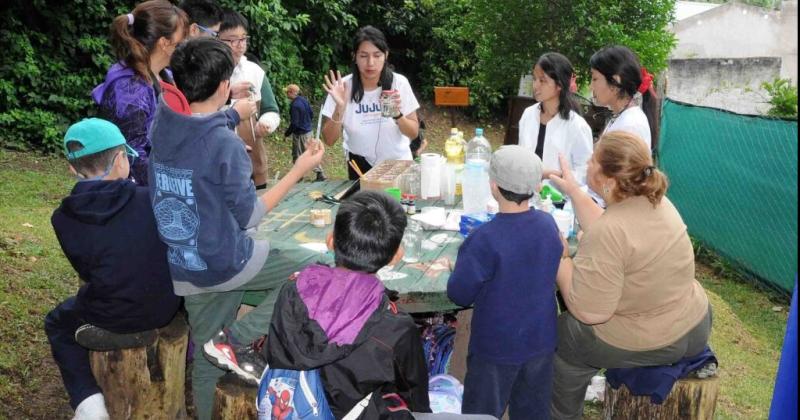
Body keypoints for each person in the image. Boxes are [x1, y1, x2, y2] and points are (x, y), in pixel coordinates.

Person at [148, 37, 328, 420]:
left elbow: (196, 126)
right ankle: (237, 340)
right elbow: (250, 217)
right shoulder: (224, 145)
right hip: (229, 261)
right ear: (223, 86)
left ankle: (218, 353)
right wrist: (299, 169)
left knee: (206, 360)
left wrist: (231, 113)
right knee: (320, 271)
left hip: (188, 265)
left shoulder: (163, 123)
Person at [547, 131, 711, 419]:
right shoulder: (656, 202)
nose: (588, 161)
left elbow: (588, 311)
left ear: (609, 181)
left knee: (566, 334)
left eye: (594, 159)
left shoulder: (611, 231)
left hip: (659, 340)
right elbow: (615, 230)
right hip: (695, 324)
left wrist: (560, 257)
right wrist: (574, 190)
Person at [44, 118, 180, 420]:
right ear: (121, 159)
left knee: (57, 322)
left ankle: (88, 402)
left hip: (108, 313)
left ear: (72, 169)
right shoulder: (151, 199)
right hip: (164, 306)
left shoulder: (62, 218)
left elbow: (87, 269)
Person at [266, 190, 431, 418]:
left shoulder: (292, 292)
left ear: (331, 241)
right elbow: (414, 395)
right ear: (396, 256)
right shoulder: (395, 327)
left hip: (291, 407)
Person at [447, 145, 563, 419]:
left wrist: (458, 267)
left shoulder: (484, 238)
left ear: (493, 186)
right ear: (535, 186)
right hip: (540, 341)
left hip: (495, 348)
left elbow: (459, 294)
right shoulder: (548, 225)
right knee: (532, 412)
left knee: (482, 412)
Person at [92, 0, 189, 186]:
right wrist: (172, 184)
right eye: (181, 40)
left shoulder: (162, 74)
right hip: (132, 194)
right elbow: (133, 155)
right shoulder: (131, 89)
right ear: (165, 43)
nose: (185, 44)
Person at [321, 25, 420, 180]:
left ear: (385, 55)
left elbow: (413, 133)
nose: (370, 63)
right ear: (354, 56)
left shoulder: (398, 83)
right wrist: (340, 107)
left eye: (377, 55)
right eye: (363, 55)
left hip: (398, 167)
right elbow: (329, 140)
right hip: (360, 168)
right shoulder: (342, 87)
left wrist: (397, 114)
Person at [219, 9, 281, 189]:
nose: (240, 45)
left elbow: (271, 109)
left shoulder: (254, 71)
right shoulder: (207, 72)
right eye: (232, 40)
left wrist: (266, 123)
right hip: (218, 165)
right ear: (216, 38)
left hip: (253, 165)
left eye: (244, 38)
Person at [518, 52, 593, 186]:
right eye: (534, 79)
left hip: (561, 202)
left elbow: (586, 174)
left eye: (542, 80)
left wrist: (554, 175)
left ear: (559, 85)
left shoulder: (577, 126)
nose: (535, 86)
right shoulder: (528, 115)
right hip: (526, 196)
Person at [589, 45, 660, 151]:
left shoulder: (630, 126)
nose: (591, 86)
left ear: (615, 83)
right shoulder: (622, 116)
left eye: (595, 79)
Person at [285, 83, 326, 181]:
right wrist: (307, 123)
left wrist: (287, 134)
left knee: (297, 154)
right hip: (309, 131)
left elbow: (294, 123)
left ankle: (299, 176)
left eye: (287, 92)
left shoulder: (294, 105)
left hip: (300, 134)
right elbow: (311, 114)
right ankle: (319, 173)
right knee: (311, 153)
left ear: (291, 92)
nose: (286, 94)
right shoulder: (304, 100)